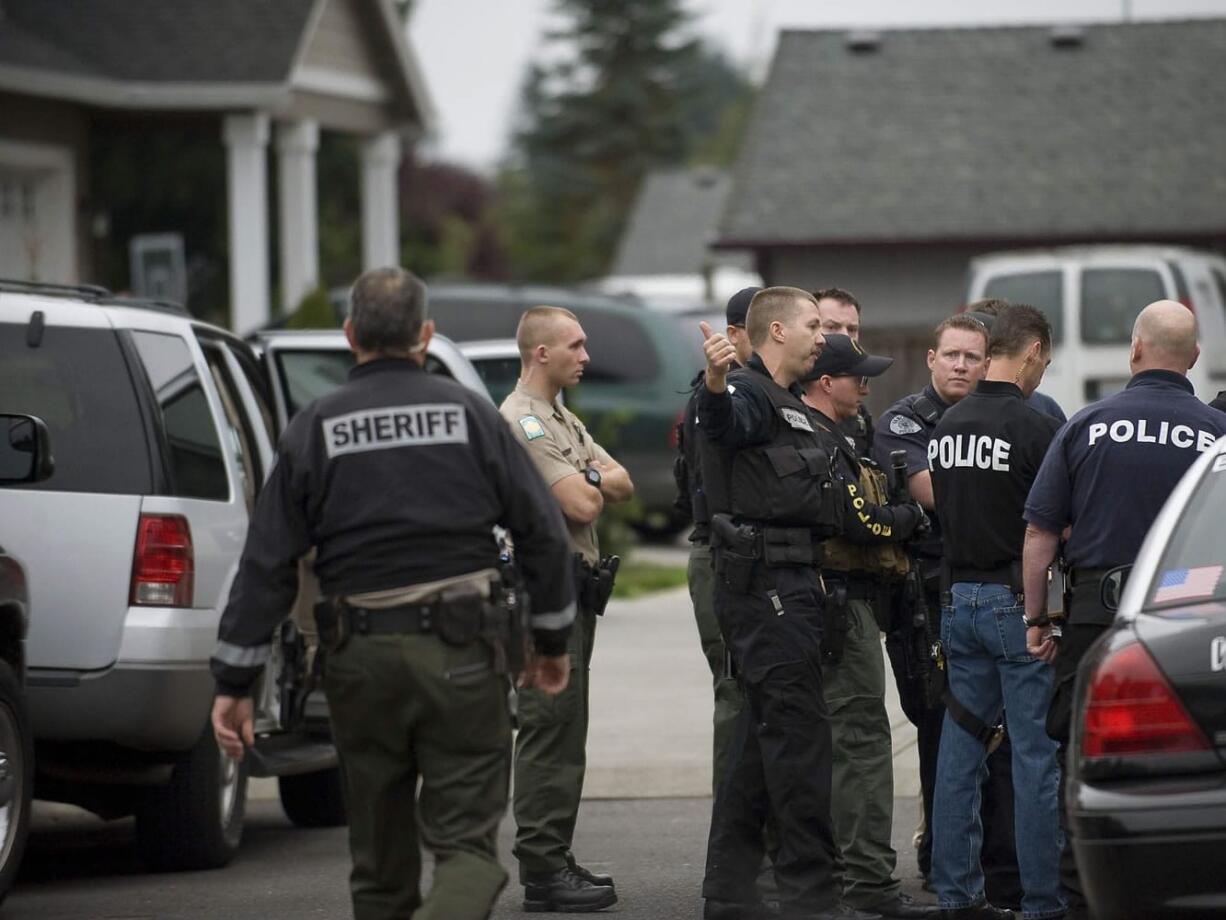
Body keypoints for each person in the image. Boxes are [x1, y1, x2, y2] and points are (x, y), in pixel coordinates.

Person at [209, 267, 575, 920]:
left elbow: (267, 562)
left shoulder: (313, 427)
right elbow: (543, 533)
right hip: (465, 655)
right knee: (468, 853)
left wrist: (235, 682)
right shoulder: (470, 416)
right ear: (425, 336)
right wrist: (550, 641)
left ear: (351, 336)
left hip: (359, 662)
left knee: (378, 872)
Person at [1021, 298, 1226, 920]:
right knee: (1192, 766)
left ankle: (1081, 896)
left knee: (1087, 758)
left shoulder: (1085, 425)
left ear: (1134, 350)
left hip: (1093, 616)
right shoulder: (1217, 437)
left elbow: (1040, 534)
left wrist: (1037, 618)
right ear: (1193, 359)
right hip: (1193, 621)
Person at [696, 287, 850, 920]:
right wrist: (713, 379)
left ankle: (729, 893)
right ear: (777, 331)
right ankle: (812, 897)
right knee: (798, 741)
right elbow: (722, 422)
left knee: (760, 751)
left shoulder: (789, 402)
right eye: (815, 325)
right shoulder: (748, 393)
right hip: (766, 588)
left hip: (791, 583)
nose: (825, 337)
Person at [928, 304, 1064, 920]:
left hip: (960, 600)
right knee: (1035, 754)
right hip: (1018, 604)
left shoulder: (948, 424)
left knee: (961, 748)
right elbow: (1055, 524)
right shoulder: (1036, 429)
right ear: (1031, 350)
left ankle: (956, 892)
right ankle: (1042, 899)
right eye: (1046, 358)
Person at [500, 305, 635, 913]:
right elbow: (581, 504)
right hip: (541, 595)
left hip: (573, 593)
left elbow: (623, 482)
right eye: (575, 346)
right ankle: (542, 868)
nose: (585, 356)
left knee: (566, 730)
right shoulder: (523, 423)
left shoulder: (560, 418)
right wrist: (590, 475)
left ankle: (555, 854)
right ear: (541, 354)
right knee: (547, 727)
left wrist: (590, 475)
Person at [799, 335, 935, 920]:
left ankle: (849, 870)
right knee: (862, 741)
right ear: (825, 382)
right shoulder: (818, 439)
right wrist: (908, 518)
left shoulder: (839, 435)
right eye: (855, 376)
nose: (865, 385)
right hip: (837, 603)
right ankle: (869, 881)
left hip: (849, 600)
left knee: (849, 738)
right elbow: (859, 519)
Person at [872, 314, 989, 887]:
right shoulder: (904, 421)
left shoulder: (1005, 415)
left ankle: (986, 847)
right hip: (926, 590)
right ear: (932, 359)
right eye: (953, 355)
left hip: (991, 585)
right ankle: (940, 849)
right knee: (939, 721)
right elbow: (935, 494)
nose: (962, 365)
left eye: (973, 357)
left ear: (988, 363)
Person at [677, 286, 758, 794]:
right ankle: (736, 850)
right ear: (733, 336)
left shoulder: (768, 393)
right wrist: (716, 379)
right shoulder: (718, 395)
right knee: (736, 697)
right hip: (720, 556)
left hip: (752, 558)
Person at [962, 300, 1066, 423]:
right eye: (952, 354)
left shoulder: (1046, 410)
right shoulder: (950, 414)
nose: (961, 365)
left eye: (995, 352)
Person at [814, 287, 875, 456]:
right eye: (832, 327)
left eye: (852, 329)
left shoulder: (859, 415)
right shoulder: (788, 393)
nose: (845, 336)